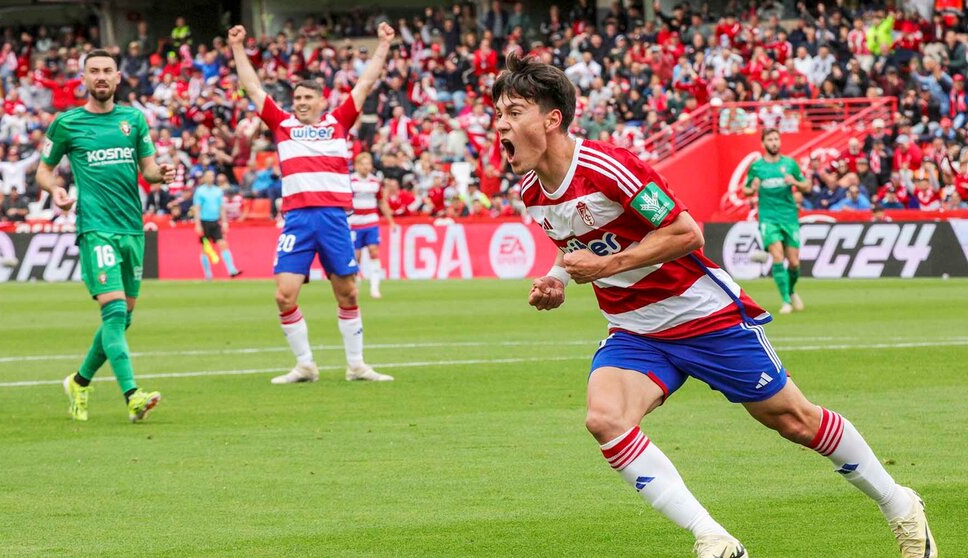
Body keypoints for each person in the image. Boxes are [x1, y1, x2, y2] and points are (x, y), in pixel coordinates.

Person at [493, 53, 936, 558]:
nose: (501, 125)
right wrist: (555, 279)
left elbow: (686, 233)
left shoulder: (608, 166)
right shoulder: (530, 188)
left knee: (794, 420)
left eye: (513, 112)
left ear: (552, 119)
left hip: (703, 317)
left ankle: (898, 503)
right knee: (605, 418)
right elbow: (572, 242)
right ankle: (714, 538)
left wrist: (608, 268)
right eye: (500, 114)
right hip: (635, 330)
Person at [228, 23, 394, 384]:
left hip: (334, 219)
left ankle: (356, 365)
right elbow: (253, 87)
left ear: (321, 101)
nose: (301, 103)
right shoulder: (281, 124)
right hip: (297, 221)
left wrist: (382, 45)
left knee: (348, 292)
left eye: (308, 98)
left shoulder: (339, 121)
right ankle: (305, 364)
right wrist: (238, 47)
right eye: (297, 98)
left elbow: (364, 84)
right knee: (284, 295)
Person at [35, 49, 174, 422]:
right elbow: (43, 171)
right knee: (113, 311)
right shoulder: (67, 123)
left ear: (116, 77)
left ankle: (79, 382)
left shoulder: (133, 119)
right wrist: (56, 190)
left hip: (132, 228)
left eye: (106, 71)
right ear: (84, 78)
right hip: (95, 228)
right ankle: (132, 395)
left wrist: (163, 172)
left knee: (121, 320)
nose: (100, 76)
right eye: (93, 71)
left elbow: (148, 169)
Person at [743, 128, 811, 315]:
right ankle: (786, 301)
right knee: (778, 256)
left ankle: (790, 290)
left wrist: (795, 183)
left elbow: (807, 186)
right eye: (770, 139)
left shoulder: (790, 164)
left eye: (776, 139)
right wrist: (753, 187)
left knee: (794, 263)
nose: (774, 142)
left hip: (789, 216)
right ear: (763, 143)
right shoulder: (757, 167)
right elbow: (746, 190)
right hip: (768, 217)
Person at [349, 152, 394, 299]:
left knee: (374, 251)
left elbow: (381, 202)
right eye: (363, 164)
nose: (366, 166)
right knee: (356, 256)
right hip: (355, 223)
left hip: (371, 222)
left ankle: (375, 288)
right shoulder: (350, 181)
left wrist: (390, 221)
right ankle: (355, 284)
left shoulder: (375, 182)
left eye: (368, 163)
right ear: (357, 165)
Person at [193, 170, 242, 280]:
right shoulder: (200, 191)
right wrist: (198, 224)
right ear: (204, 178)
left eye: (212, 176)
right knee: (206, 249)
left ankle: (232, 270)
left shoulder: (218, 191)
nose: (210, 178)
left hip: (215, 222)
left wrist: (224, 222)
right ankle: (208, 274)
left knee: (223, 244)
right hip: (204, 222)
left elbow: (221, 208)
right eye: (208, 176)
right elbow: (197, 209)